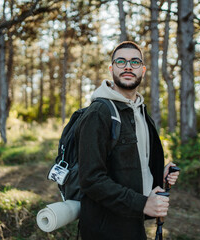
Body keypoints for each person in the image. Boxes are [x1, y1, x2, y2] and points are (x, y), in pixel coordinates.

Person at [75, 41, 179, 240]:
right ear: (111, 68)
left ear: (143, 70)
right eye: (121, 61)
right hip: (104, 228)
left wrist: (159, 174)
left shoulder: (139, 110)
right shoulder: (99, 113)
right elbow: (91, 179)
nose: (128, 66)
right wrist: (142, 204)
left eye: (135, 62)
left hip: (132, 223)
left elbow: (133, 164)